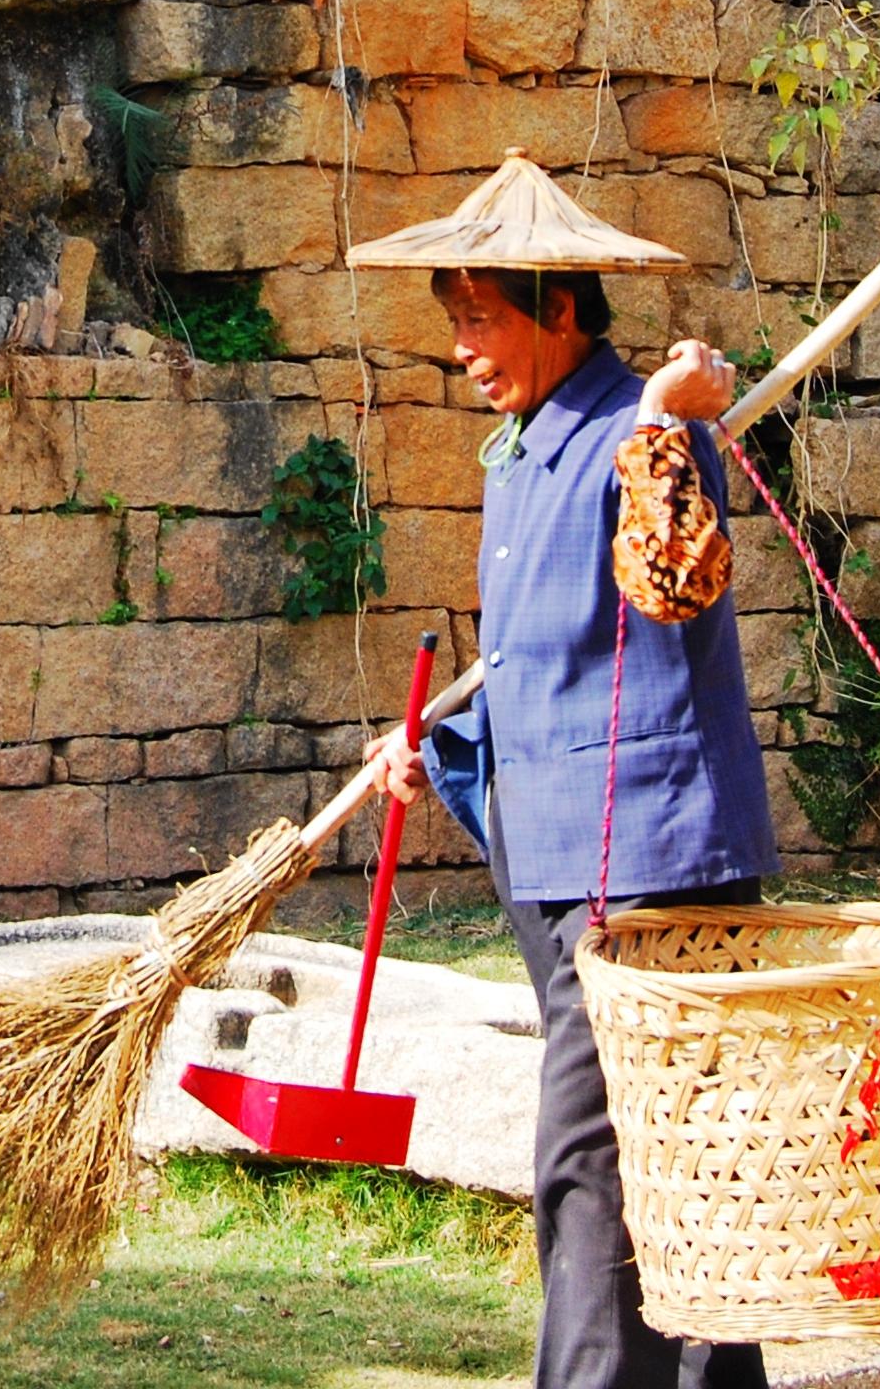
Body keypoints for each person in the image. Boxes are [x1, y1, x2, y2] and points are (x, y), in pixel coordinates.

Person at [365, 264, 773, 1389]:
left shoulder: (637, 430)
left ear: (558, 313)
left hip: (649, 855)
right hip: (557, 855)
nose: (462, 348)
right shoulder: (524, 453)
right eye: (453, 324)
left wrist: (661, 426)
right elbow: (538, 671)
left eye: (480, 320)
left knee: (594, 1158)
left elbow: (675, 589)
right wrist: (430, 750)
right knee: (662, 1156)